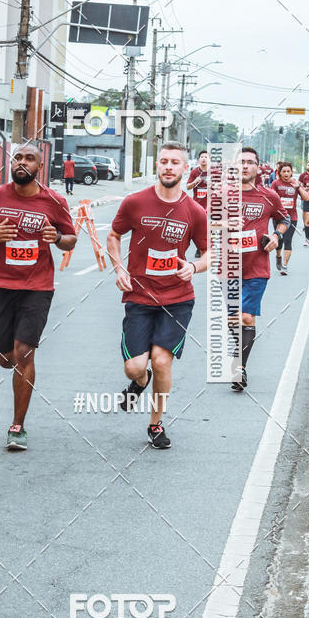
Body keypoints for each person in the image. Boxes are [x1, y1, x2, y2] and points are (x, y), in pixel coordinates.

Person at [0, 142, 77, 450]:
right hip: (2, 285)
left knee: (23, 353)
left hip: (37, 287)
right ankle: (12, 371)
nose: (22, 163)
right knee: (6, 359)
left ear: (39, 167)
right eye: (18, 157)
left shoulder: (54, 201)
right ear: (11, 162)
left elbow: (70, 239)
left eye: (30, 159)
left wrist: (55, 237)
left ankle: (17, 426)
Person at [107, 142, 208, 450]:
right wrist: (119, 268)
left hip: (177, 299)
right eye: (163, 161)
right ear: (158, 166)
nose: (168, 166)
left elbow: (209, 254)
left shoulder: (194, 211)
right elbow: (114, 235)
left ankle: (155, 424)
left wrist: (193, 266)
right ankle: (140, 382)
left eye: (174, 162)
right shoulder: (135, 202)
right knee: (136, 366)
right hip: (139, 296)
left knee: (162, 361)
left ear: (184, 168)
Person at [231, 148, 289, 392]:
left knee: (246, 317)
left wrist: (276, 235)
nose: (245, 166)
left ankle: (239, 369)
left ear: (257, 167)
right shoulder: (224, 194)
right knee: (232, 319)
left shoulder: (269, 195)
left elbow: (284, 219)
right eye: (241, 162)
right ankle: (236, 357)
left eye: (250, 163)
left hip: (257, 267)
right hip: (229, 267)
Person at [270, 162, 308, 274]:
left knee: (288, 240)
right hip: (279, 217)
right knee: (280, 239)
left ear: (291, 172)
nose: (286, 173)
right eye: (284, 171)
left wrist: (298, 187)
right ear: (280, 173)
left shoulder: (296, 183)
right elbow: (271, 199)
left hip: (292, 217)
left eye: (288, 171)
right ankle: (278, 257)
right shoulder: (275, 183)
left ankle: (285, 266)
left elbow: (306, 198)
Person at [186, 149, 209, 257]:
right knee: (197, 228)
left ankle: (203, 247)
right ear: (199, 159)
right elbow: (188, 186)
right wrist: (195, 182)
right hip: (197, 205)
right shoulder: (195, 172)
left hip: (211, 205)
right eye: (202, 157)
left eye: (206, 157)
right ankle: (199, 247)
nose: (203, 159)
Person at [298, 162, 309, 246]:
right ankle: (306, 239)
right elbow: (302, 188)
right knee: (308, 221)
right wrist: (306, 189)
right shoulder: (306, 178)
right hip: (308, 201)